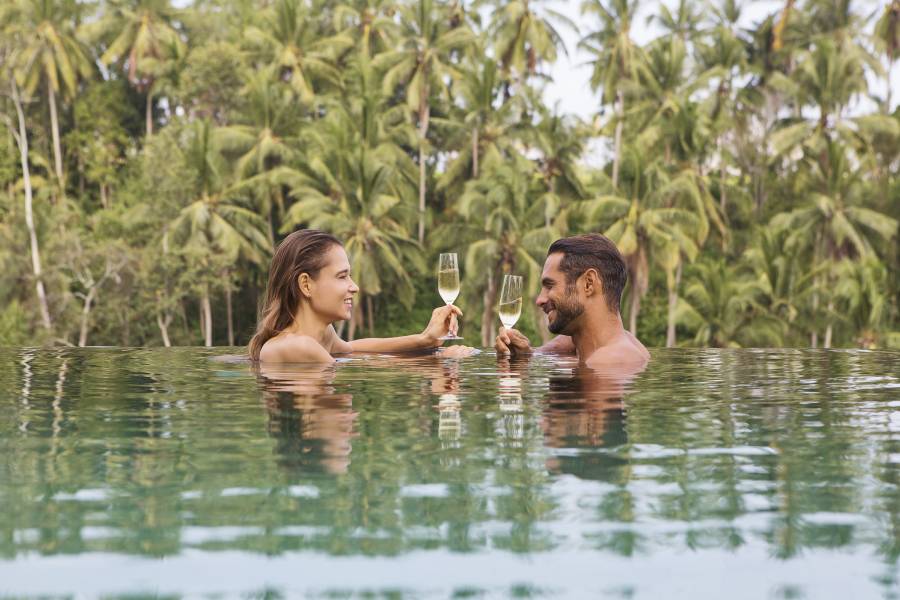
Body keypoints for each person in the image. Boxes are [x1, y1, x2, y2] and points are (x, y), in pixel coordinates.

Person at [250, 229, 461, 363]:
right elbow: (350, 371)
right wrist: (441, 363)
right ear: (306, 284)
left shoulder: (321, 336)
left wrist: (425, 340)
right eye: (342, 277)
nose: (355, 287)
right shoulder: (298, 346)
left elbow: (352, 350)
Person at [494, 233, 650, 371]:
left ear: (588, 283)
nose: (540, 300)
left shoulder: (608, 362)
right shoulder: (610, 341)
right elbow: (565, 343)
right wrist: (528, 354)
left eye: (550, 285)